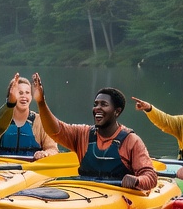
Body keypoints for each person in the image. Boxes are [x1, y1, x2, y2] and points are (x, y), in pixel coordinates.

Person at [30, 73, 159, 190]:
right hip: (86, 194)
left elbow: (151, 177)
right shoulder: (83, 134)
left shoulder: (131, 141)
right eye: (96, 104)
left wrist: (137, 180)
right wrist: (41, 102)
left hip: (119, 197)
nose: (97, 108)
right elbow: (55, 130)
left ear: (117, 111)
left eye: (104, 104)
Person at [0, 76, 58, 159]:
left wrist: (45, 153)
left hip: (32, 169)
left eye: (27, 93)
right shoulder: (0, 121)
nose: (24, 96)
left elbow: (53, 149)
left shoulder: (41, 122)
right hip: (4, 168)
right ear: (11, 97)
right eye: (20, 93)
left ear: (31, 97)